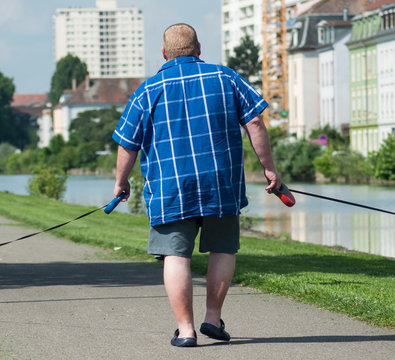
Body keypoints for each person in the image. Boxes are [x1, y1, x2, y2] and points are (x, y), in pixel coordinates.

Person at [112, 23, 281, 347]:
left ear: (164, 53)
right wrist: (270, 170)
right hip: (221, 182)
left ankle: (186, 330)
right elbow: (255, 122)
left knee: (176, 256)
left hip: (170, 186)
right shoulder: (226, 78)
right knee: (223, 248)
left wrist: (121, 183)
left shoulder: (147, 90)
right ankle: (212, 318)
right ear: (199, 48)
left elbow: (127, 144)